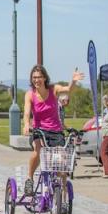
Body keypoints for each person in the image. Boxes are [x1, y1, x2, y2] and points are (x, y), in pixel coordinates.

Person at [23, 65, 84, 195]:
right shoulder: (30, 94)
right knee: (38, 150)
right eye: (34, 77)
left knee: (61, 161)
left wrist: (73, 81)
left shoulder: (53, 89)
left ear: (45, 78)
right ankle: (29, 178)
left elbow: (68, 90)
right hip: (39, 131)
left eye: (39, 77)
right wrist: (26, 124)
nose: (36, 80)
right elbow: (27, 113)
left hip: (56, 131)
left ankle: (62, 193)